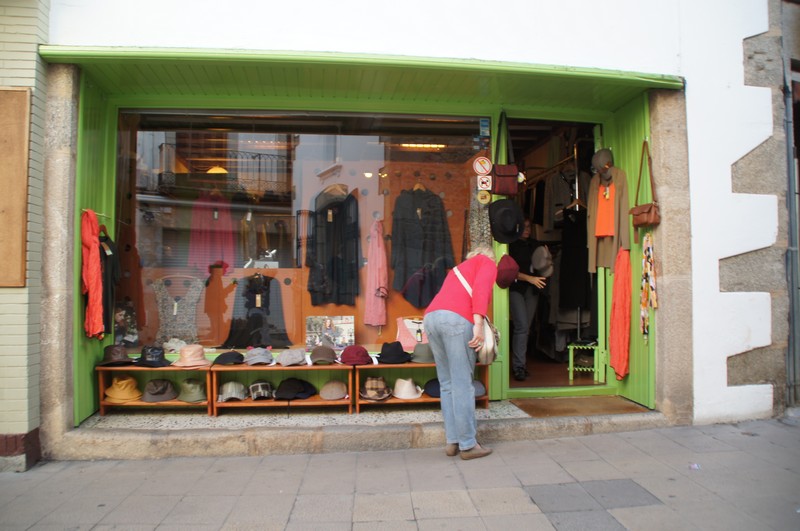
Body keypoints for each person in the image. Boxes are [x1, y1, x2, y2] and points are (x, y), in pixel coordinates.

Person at [423, 245, 516, 460]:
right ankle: (468, 445)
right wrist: (478, 325)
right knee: (463, 384)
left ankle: (453, 441)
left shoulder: (459, 269)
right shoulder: (486, 263)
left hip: (431, 318)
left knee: (447, 384)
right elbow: (480, 291)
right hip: (456, 320)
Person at [508, 219, 547, 381]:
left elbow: (544, 267)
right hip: (516, 289)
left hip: (532, 290)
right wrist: (530, 278)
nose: (526, 229)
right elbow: (509, 271)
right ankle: (518, 367)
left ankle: (521, 365)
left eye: (529, 226)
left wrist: (547, 258)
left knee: (526, 328)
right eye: (522, 227)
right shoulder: (510, 246)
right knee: (522, 326)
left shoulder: (536, 244)